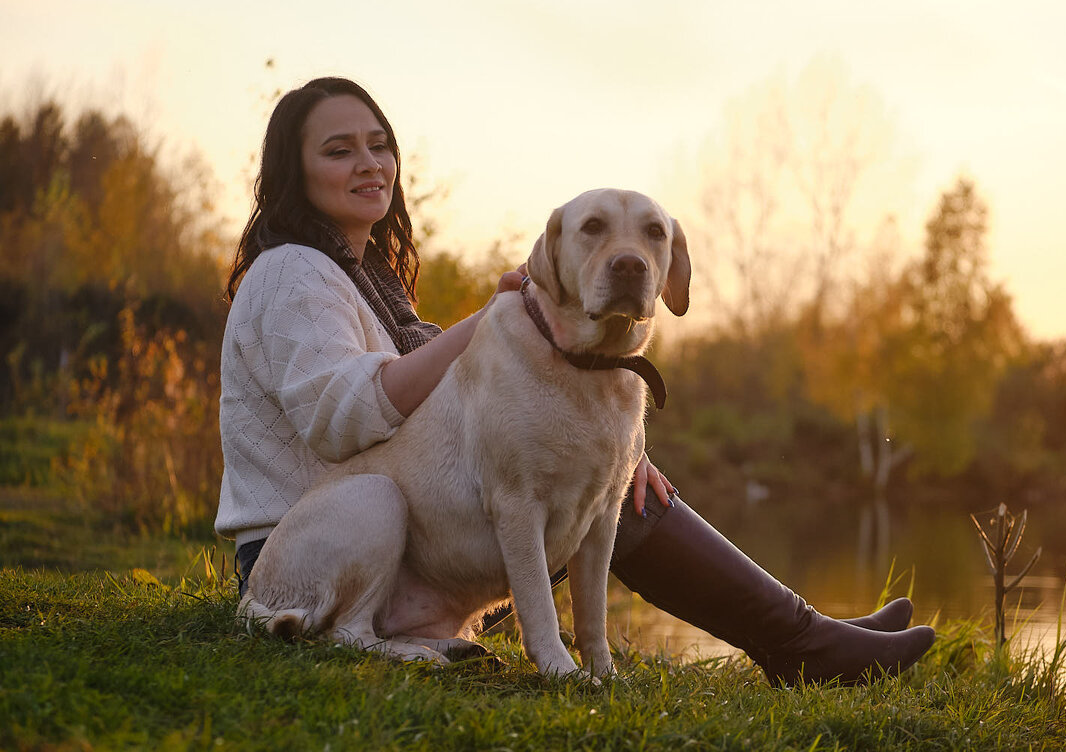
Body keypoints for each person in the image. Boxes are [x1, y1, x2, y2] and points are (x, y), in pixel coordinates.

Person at [215, 76, 935, 686]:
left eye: (379, 145)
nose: (369, 163)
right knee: (579, 474)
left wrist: (612, 448)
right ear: (295, 173)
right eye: (339, 150)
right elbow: (342, 420)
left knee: (616, 478)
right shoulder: (290, 275)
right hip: (304, 551)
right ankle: (804, 644)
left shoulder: (368, 274)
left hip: (407, 535)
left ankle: (803, 636)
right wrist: (493, 317)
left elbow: (448, 411)